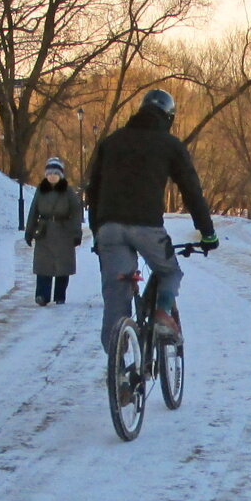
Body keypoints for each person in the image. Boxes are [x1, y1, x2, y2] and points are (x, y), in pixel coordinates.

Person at [85, 89, 218, 349]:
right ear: (168, 117)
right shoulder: (170, 145)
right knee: (170, 272)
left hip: (109, 228)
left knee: (116, 293)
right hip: (147, 227)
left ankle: (119, 369)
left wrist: (97, 232)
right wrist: (208, 233)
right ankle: (161, 315)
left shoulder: (111, 141)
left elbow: (94, 190)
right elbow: (191, 192)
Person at [25, 157, 84, 306]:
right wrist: (29, 231)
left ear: (61, 175)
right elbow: (33, 211)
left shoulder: (68, 192)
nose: (52, 176)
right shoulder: (41, 190)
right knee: (43, 265)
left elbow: (77, 213)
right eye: (49, 173)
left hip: (64, 231)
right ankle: (42, 296)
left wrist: (77, 233)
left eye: (55, 173)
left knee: (62, 266)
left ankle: (60, 296)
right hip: (44, 231)